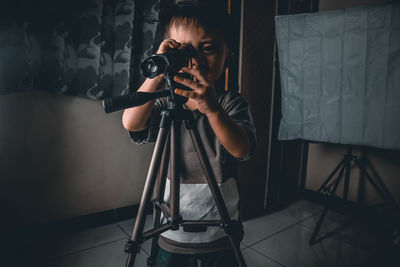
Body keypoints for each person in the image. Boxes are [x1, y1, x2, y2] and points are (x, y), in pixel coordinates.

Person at [122, 1, 256, 266]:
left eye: (207, 49)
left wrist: (213, 110)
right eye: (181, 50)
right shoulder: (164, 101)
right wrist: (157, 73)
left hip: (221, 227)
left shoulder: (230, 103)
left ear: (228, 54)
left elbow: (243, 149)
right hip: (172, 229)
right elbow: (131, 122)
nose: (193, 60)